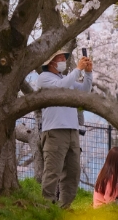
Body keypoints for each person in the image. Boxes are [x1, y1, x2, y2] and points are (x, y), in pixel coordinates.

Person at [35, 49, 93, 206]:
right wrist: (78, 69)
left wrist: (88, 73)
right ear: (51, 62)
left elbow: (85, 90)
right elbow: (60, 87)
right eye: (60, 58)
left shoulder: (65, 78)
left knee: (73, 171)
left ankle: (65, 207)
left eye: (63, 58)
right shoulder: (44, 78)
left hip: (72, 130)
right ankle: (47, 205)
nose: (63, 60)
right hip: (54, 130)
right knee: (53, 170)